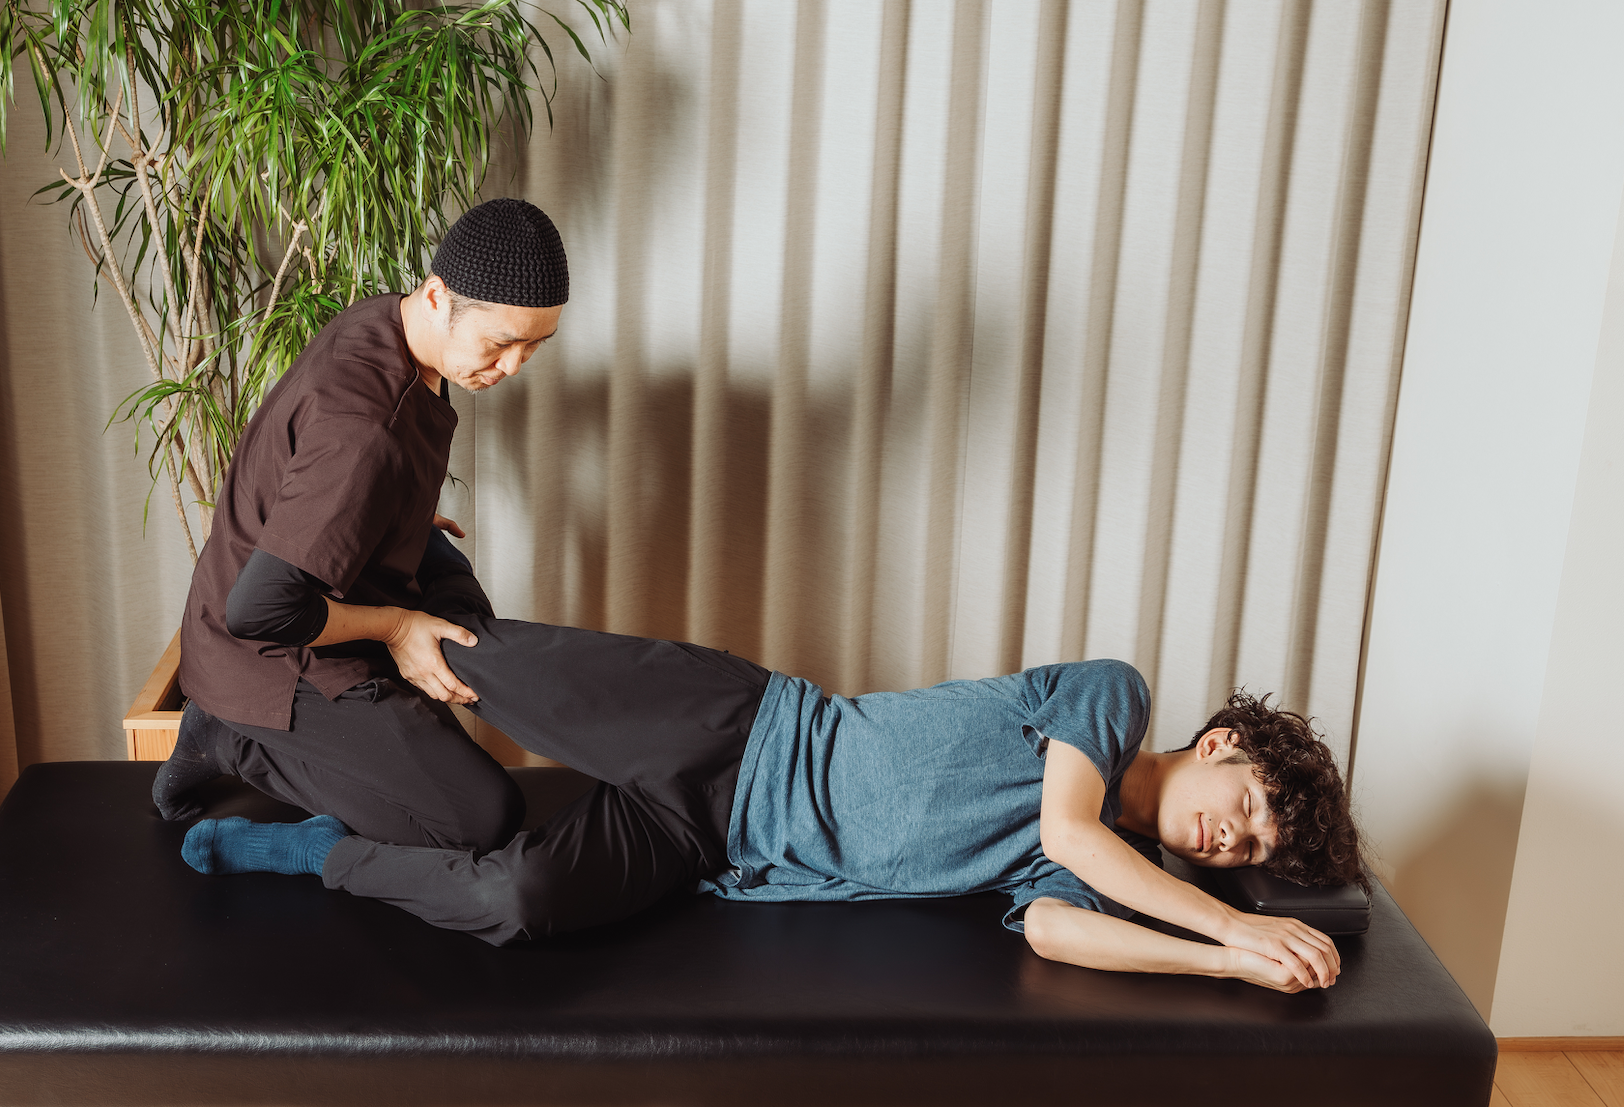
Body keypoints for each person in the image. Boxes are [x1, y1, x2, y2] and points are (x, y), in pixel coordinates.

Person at [172, 558, 1366, 995]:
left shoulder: (1105, 877)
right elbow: (1068, 828)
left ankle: (311, 848)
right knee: (468, 655)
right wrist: (1230, 926)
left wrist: (1222, 959)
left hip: (714, 845)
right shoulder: (1111, 698)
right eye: (1248, 810)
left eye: (1253, 851)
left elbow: (1054, 929)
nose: (1231, 842)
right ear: (1219, 743)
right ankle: (249, 680)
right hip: (729, 726)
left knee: (512, 902)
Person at [154, 198, 569, 857]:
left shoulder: (390, 321)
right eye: (500, 343)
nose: (514, 365)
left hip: (337, 577)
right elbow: (260, 610)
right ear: (437, 296)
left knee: (467, 617)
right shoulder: (363, 432)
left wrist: (389, 512)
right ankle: (228, 738)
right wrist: (398, 628)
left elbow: (319, 468)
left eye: (534, 345)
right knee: (481, 821)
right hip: (267, 649)